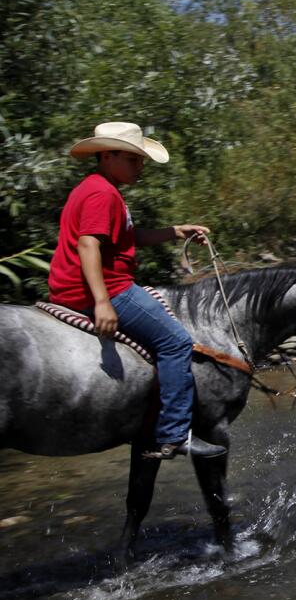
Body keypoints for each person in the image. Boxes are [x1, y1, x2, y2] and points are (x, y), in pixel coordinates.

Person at [47, 122, 218, 459]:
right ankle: (174, 435)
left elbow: (128, 237)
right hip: (108, 288)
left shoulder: (99, 188)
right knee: (176, 342)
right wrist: (101, 303)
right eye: (133, 160)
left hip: (82, 286)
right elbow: (87, 245)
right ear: (108, 155)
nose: (141, 167)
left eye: (141, 160)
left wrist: (175, 231)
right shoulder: (102, 193)